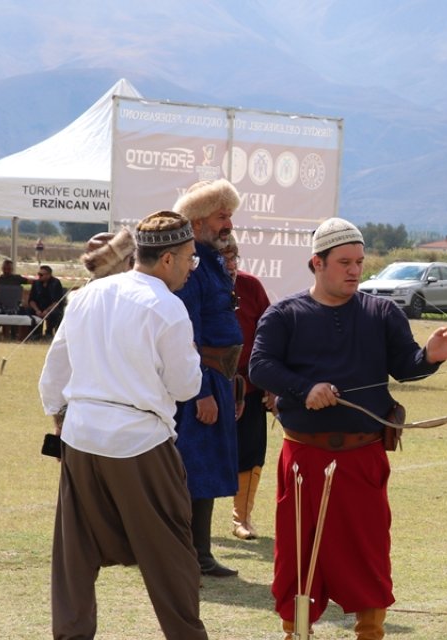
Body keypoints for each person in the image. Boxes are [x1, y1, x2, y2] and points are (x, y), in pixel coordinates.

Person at [249, 218, 447, 640]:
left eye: (359, 262)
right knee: (297, 555)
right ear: (317, 262)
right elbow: (260, 366)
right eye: (344, 262)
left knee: (367, 555)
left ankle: (370, 633)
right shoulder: (284, 314)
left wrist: (431, 356)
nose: (354, 270)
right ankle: (296, 634)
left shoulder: (380, 312)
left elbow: (405, 365)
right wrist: (303, 388)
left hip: (363, 458)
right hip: (304, 461)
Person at [38, 211, 206, 639]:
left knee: (74, 554)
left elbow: (54, 370)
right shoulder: (168, 306)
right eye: (190, 257)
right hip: (140, 441)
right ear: (167, 259)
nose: (192, 266)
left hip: (81, 436)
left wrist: (60, 416)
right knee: (171, 552)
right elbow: (186, 386)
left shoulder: (87, 295)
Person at [172, 178, 245, 578]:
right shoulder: (192, 265)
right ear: (198, 221)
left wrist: (229, 386)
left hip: (219, 377)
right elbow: (189, 332)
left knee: (208, 468)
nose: (228, 223)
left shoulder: (211, 260)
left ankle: (199, 552)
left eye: (229, 215)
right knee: (193, 470)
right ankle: (190, 554)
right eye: (221, 216)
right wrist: (200, 389)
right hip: (199, 379)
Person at [221, 237, 275, 541]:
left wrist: (270, 385)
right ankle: (185, 519)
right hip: (203, 384)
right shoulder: (193, 286)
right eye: (223, 258)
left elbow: (268, 336)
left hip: (250, 385)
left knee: (252, 451)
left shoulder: (251, 286)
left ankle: (242, 519)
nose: (230, 265)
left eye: (234, 257)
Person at [28, 264, 66, 339]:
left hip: (52, 307)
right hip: (39, 307)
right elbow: (31, 300)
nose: (39, 276)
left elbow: (57, 301)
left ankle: (49, 332)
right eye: (39, 274)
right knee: (28, 311)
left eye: (41, 274)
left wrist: (47, 310)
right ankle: (35, 334)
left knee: (55, 313)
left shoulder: (55, 283)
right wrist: (37, 310)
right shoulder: (36, 283)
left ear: (49, 275)